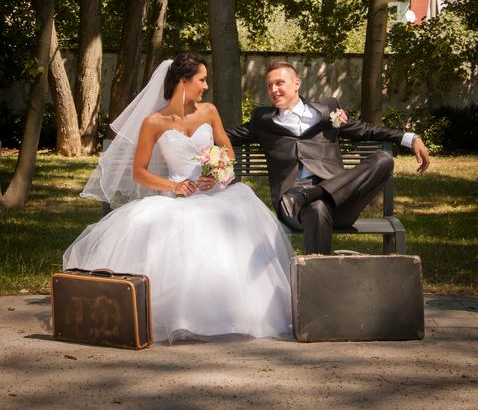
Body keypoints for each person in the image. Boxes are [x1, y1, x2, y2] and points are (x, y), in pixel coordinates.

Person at [64, 52, 293, 343]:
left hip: (218, 194)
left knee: (228, 224)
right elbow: (139, 172)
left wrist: (216, 171)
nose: (206, 86)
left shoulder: (208, 111)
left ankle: (232, 315)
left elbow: (228, 151)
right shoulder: (154, 122)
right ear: (183, 81)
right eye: (202, 80)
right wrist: (174, 186)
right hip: (176, 197)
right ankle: (174, 317)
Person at [227, 60, 430, 255]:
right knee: (317, 207)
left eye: (279, 83)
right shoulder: (263, 121)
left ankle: (314, 194)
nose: (273, 90)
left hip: (341, 201)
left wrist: (409, 138)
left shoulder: (327, 112)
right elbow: (226, 136)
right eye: (269, 85)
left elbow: (365, 130)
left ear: (297, 83)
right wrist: (205, 122)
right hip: (294, 204)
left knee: (383, 160)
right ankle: (317, 275)